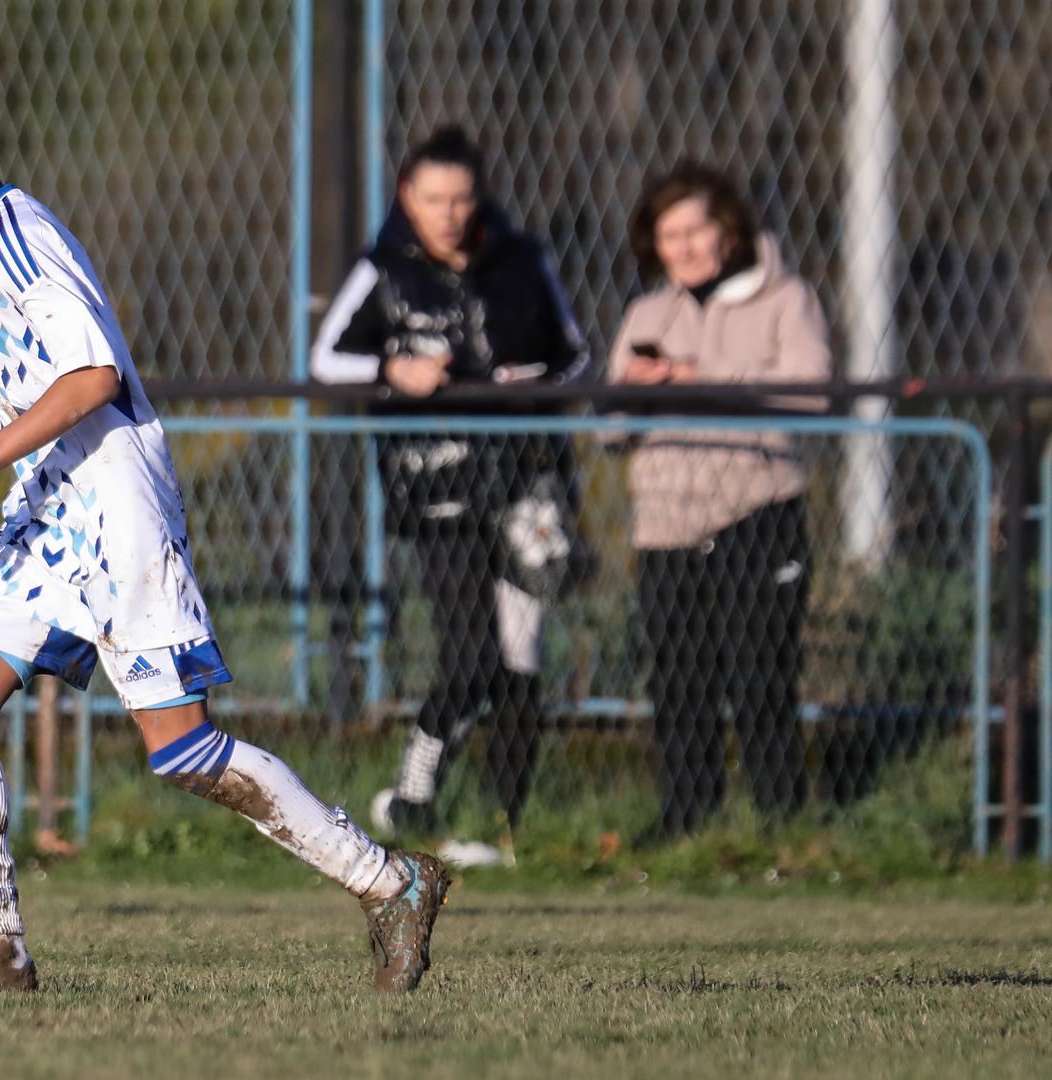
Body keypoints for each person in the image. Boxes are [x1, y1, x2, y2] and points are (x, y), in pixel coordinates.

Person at [0, 60, 448, 996]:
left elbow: (91, 381)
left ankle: (391, 881)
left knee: (182, 752)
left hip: (113, 506)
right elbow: (9, 396)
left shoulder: (16, 236)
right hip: (49, 508)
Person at [311, 127, 591, 866]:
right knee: (471, 659)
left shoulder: (523, 261)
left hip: (525, 482)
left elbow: (575, 356)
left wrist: (531, 383)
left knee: (522, 657)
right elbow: (326, 358)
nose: (448, 213)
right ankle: (414, 792)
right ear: (408, 195)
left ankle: (504, 826)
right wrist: (394, 366)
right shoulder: (384, 269)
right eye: (433, 198)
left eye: (462, 197)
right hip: (437, 490)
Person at [607, 162, 831, 840]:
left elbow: (813, 391)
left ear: (728, 230)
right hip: (667, 524)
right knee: (678, 683)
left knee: (761, 677)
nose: (686, 246)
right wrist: (640, 391)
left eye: (697, 229)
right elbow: (609, 430)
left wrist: (701, 377)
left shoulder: (786, 298)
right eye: (670, 235)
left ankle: (779, 821)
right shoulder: (649, 312)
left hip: (757, 512)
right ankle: (686, 818)